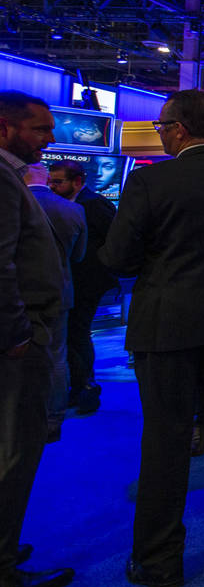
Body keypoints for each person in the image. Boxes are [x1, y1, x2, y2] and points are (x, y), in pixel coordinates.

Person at [99, 90, 204, 587]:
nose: (160, 134)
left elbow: (118, 258)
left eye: (159, 127)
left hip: (166, 325)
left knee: (167, 438)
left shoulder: (150, 180)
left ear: (176, 128)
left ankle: (158, 560)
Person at [0, 91, 75, 587]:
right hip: (15, 344)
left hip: (22, 334)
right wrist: (19, 333)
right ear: (5, 127)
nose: (50, 139)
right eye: (40, 128)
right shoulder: (3, 180)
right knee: (13, 449)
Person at [48, 159, 117, 415]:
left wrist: (103, 268)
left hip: (88, 282)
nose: (52, 187)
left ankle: (85, 387)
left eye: (58, 182)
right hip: (74, 281)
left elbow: (116, 239)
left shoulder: (94, 204)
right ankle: (80, 386)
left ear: (76, 181)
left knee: (78, 333)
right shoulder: (71, 204)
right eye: (50, 181)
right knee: (74, 334)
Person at [24, 163, 86, 444]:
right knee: (57, 356)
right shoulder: (73, 209)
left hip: (18, 293)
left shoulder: (15, 202)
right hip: (60, 291)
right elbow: (79, 255)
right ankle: (53, 417)